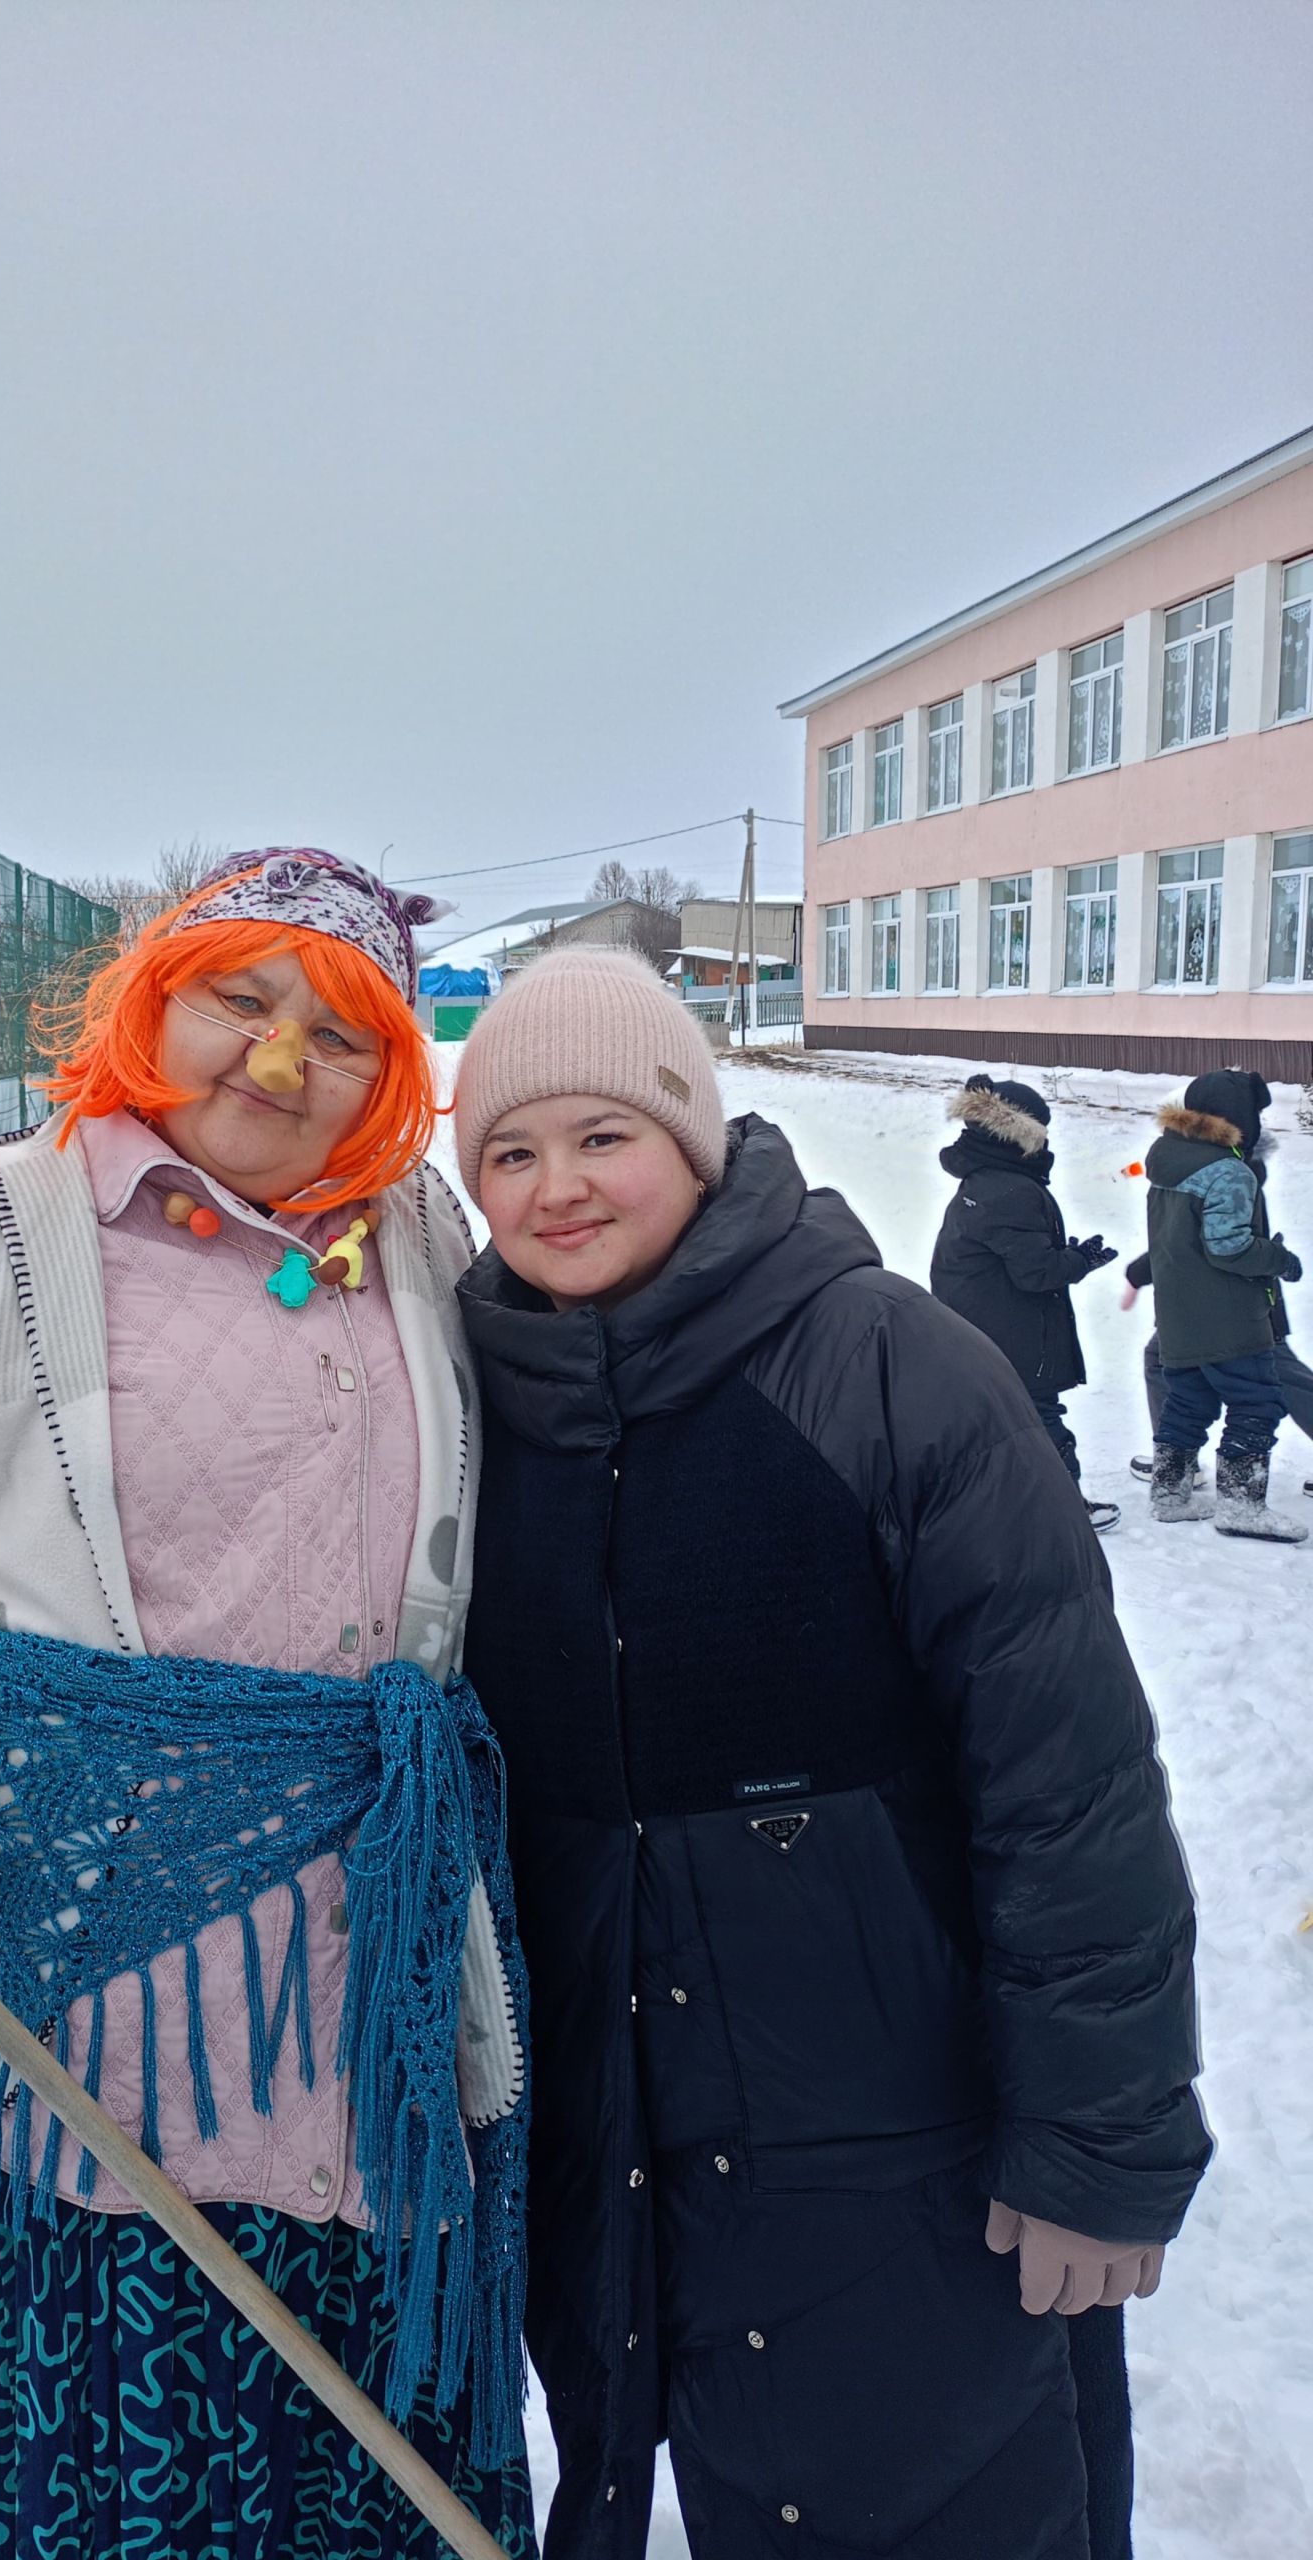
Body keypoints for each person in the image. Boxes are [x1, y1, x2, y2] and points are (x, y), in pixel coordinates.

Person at [0, 849, 535, 2559]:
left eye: (339, 1034)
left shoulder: (416, 1236)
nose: (278, 1062)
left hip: (385, 2033)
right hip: (107, 2021)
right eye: (239, 1001)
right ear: (149, 1005)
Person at [450, 947, 1209, 2560]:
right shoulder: (472, 1405)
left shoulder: (891, 1368)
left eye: (604, 1136)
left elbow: (1068, 1785)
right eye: (509, 1152)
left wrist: (1095, 2147)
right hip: (616, 2141)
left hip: (897, 2153)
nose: (557, 1188)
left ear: (696, 1140)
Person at [929, 1074, 1120, 1531]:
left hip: (983, 1322)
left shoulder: (988, 1179)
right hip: (1010, 1331)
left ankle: (991, 1501)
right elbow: (1036, 1273)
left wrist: (1063, 1255)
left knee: (999, 1418)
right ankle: (1065, 1510)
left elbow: (1017, 1255)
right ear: (1017, 1137)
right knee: (1039, 1417)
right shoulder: (1009, 1190)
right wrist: (1080, 1259)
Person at [1123, 1073, 1313, 1503]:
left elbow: (1187, 1230)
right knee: (1260, 1388)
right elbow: (1220, 1243)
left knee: (1197, 1375)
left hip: (1195, 1298)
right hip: (1231, 1300)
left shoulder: (1175, 1156)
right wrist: (1278, 1259)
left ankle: (1174, 1474)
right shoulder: (1228, 1167)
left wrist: (1146, 1268)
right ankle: (1195, 1480)